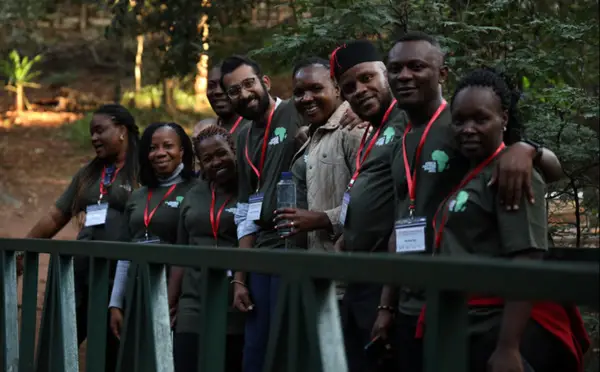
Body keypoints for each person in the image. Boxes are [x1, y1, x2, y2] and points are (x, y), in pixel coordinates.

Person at [372, 31, 565, 372]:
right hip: (418, 307)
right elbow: (401, 221)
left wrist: (529, 149)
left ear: (442, 73)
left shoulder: (458, 121)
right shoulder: (400, 134)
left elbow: (537, 171)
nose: (404, 76)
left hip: (473, 312)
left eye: (416, 66)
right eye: (395, 68)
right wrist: (386, 306)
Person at [416, 67, 589, 372]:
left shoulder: (511, 174)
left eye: (480, 119)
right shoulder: (470, 172)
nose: (468, 129)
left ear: (503, 119)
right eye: (459, 121)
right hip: (465, 325)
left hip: (499, 329)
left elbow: (527, 257)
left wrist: (509, 347)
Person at [25, 103, 140, 372]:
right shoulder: (88, 174)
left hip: (118, 278)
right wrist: (26, 250)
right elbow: (55, 216)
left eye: (100, 130)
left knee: (109, 353)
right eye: (91, 132)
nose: (94, 138)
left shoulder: (143, 170)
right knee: (60, 341)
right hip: (81, 273)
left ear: (122, 131)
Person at [219, 54, 307, 372]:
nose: (243, 94)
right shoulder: (241, 137)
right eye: (233, 91)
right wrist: (240, 279)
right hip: (260, 256)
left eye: (248, 84)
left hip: (296, 248)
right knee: (256, 350)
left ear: (264, 82)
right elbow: (245, 212)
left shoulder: (294, 111)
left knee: (288, 348)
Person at [328, 39, 408, 372]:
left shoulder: (406, 121)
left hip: (388, 276)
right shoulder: (371, 131)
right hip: (359, 273)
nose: (359, 91)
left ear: (386, 75)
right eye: (348, 87)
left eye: (367, 79)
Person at [107, 122, 196, 340]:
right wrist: (116, 302)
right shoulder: (137, 196)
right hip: (137, 288)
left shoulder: (196, 189)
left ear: (182, 151)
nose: (160, 153)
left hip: (176, 292)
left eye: (168, 146)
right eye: (153, 148)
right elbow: (125, 253)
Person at [173, 125, 244, 372]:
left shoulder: (248, 190)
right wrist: (172, 304)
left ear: (234, 150)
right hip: (192, 305)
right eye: (207, 159)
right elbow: (181, 254)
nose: (216, 162)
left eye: (221, 153)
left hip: (233, 305)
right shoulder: (193, 195)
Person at [274, 57, 364, 252]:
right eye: (299, 93)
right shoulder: (311, 134)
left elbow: (371, 203)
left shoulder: (354, 129)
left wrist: (323, 219)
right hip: (306, 261)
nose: (306, 98)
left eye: (316, 89)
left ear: (338, 89)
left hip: (338, 261)